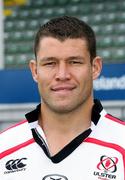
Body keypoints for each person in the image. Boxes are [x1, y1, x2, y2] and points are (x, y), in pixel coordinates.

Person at [0, 16, 125, 180]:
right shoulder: (4, 147)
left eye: (74, 62)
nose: (62, 75)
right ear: (35, 70)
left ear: (95, 68)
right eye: (50, 63)